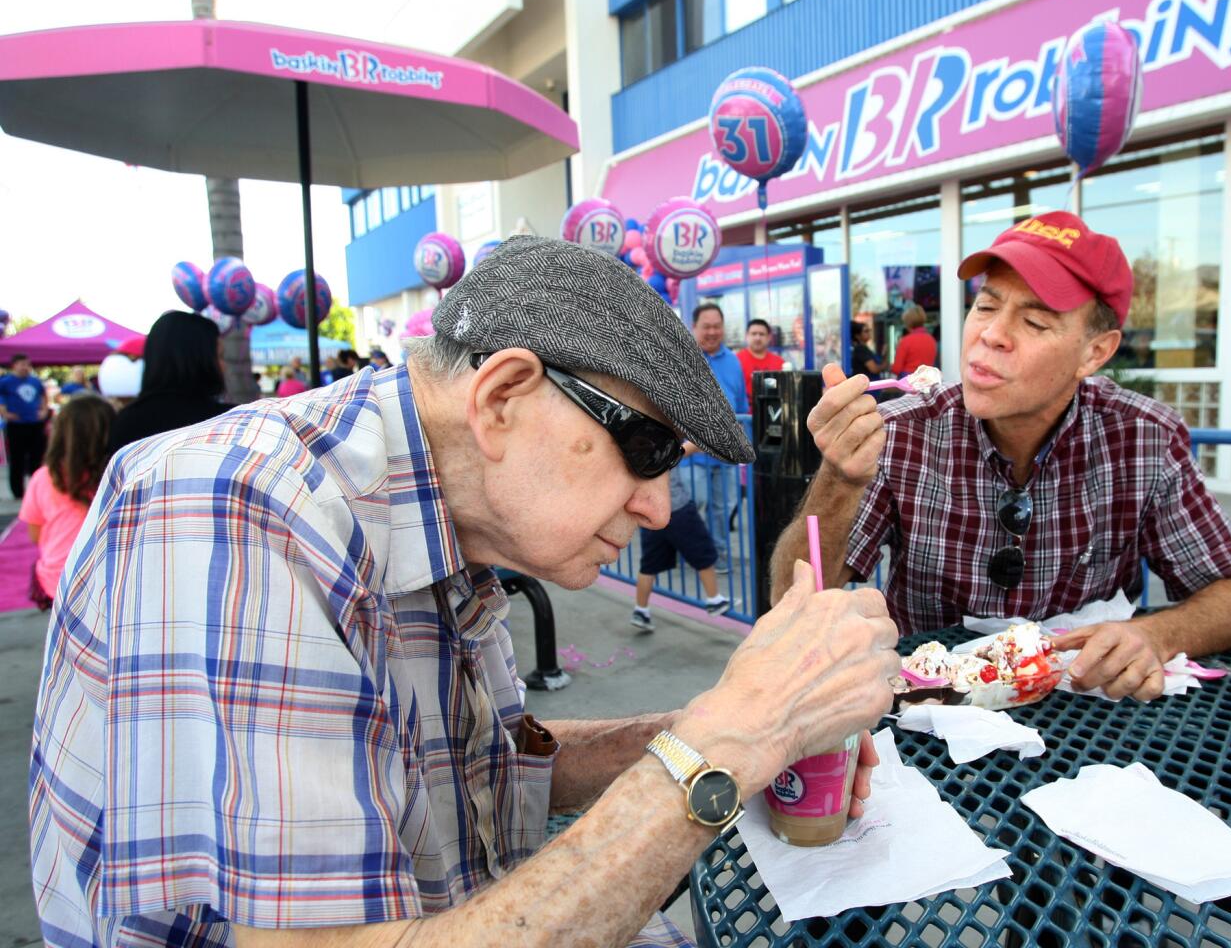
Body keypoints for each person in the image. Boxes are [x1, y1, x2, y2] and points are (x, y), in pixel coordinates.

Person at [31, 235, 899, 948]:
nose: (657, 502)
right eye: (645, 448)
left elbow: (477, 759)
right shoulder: (238, 507)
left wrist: (710, 731)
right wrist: (727, 742)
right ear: (503, 397)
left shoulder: (445, 505)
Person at [770, 211, 1231, 702]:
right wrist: (839, 477)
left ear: (1094, 353)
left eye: (1034, 321)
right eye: (986, 306)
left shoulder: (1142, 439)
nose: (992, 334)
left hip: (1087, 719)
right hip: (928, 718)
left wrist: (1157, 634)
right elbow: (789, 605)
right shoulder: (902, 432)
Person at [17, 394, 113, 610]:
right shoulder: (117, 475)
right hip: (107, 578)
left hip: (57, 579)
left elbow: (35, 535)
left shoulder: (43, 477)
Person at [631, 444, 731, 633]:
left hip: (651, 515)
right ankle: (714, 599)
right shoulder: (666, 448)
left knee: (648, 565)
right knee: (704, 553)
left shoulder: (635, 452)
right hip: (677, 510)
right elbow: (694, 444)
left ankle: (640, 610)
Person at [107, 311, 234, 452]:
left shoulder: (125, 423)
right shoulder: (227, 421)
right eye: (220, 356)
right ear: (199, 358)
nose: (225, 365)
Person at [690, 302, 748, 572]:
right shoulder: (684, 357)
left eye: (716, 326)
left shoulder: (733, 361)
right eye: (706, 327)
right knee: (696, 501)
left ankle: (719, 556)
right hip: (692, 453)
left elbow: (741, 405)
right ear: (694, 328)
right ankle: (693, 553)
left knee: (723, 507)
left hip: (724, 453)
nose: (712, 332)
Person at [0, 353, 50, 498]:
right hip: (17, 424)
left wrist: (44, 410)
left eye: (27, 365)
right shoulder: (6, 382)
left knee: (37, 458)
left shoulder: (35, 381)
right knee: (17, 459)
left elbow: (43, 396)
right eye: (22, 364)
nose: (25, 368)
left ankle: (37, 491)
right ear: (14, 365)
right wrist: (4, 413)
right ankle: (18, 492)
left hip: (35, 423)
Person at [737, 318, 785, 409]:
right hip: (744, 418)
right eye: (754, 334)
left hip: (772, 414)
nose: (757, 338)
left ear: (769, 337)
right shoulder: (736, 361)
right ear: (746, 336)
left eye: (762, 334)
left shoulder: (780, 362)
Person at [891, 305, 937, 378]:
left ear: (908, 323)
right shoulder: (931, 339)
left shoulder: (906, 341)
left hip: (909, 381)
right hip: (927, 381)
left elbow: (896, 368)